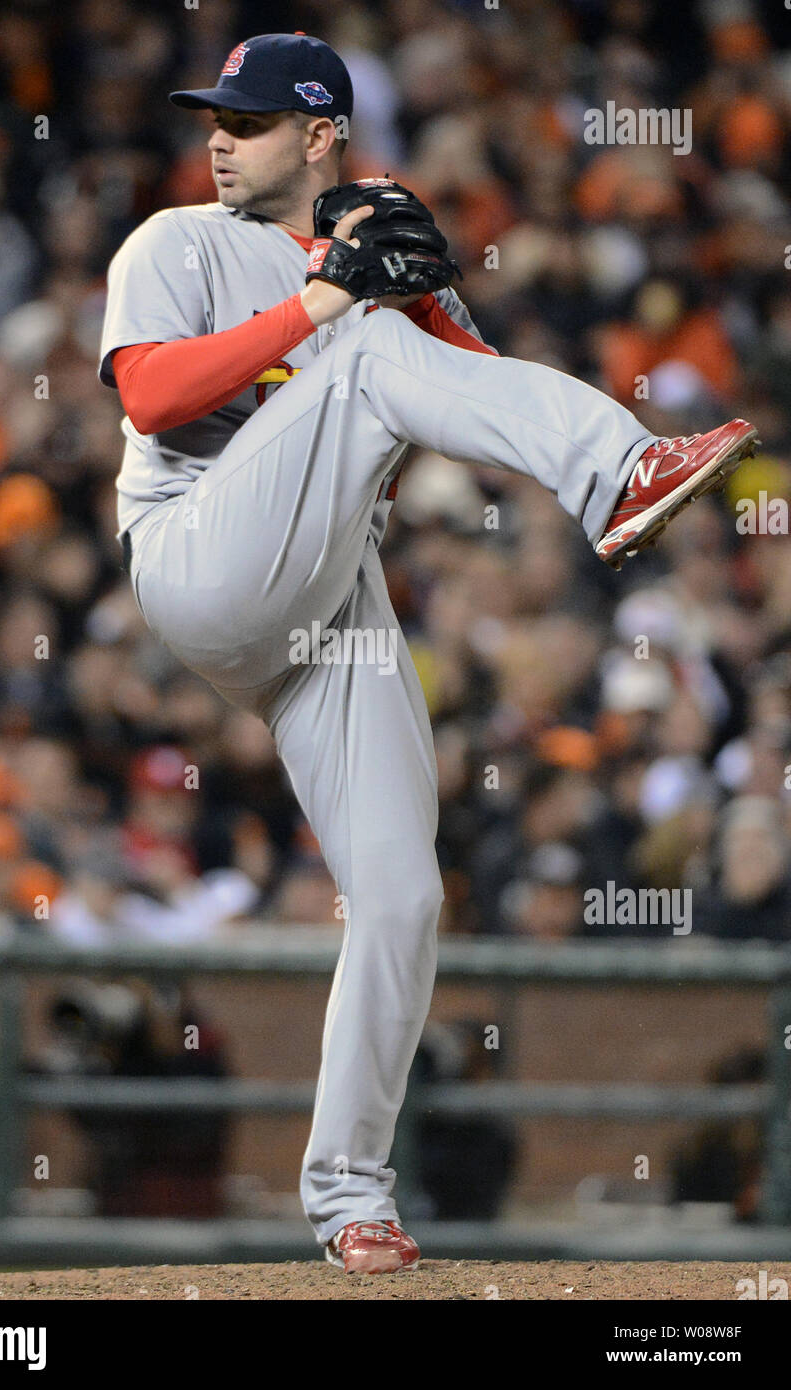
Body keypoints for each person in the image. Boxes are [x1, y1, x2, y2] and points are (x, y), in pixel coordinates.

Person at [98, 32, 759, 1273]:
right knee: (351, 357)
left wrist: (426, 292)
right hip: (194, 551)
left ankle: (349, 1195)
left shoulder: (363, 257)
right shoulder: (174, 242)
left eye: (244, 122)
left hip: (324, 604)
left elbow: (464, 386)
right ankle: (619, 469)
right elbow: (150, 397)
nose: (217, 140)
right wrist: (328, 299)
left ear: (320, 135)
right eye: (212, 119)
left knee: (402, 895)